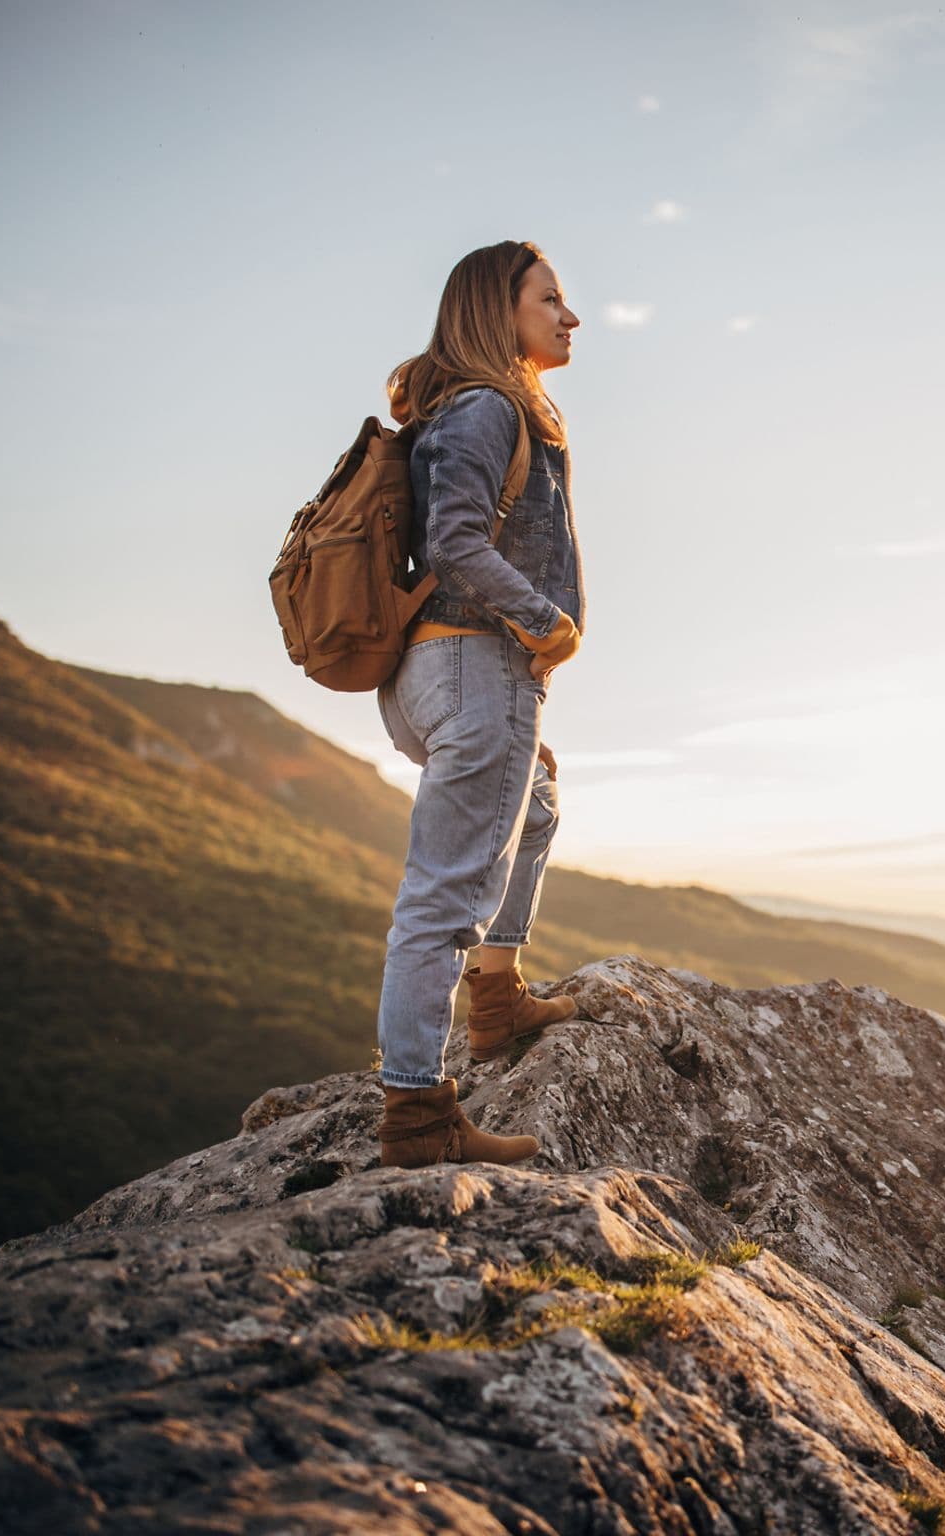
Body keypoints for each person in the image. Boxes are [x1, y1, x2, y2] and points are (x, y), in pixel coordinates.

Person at [370, 239, 588, 1169]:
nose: (570, 316)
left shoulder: (470, 409)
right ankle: (418, 1117)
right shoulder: (487, 408)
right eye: (552, 299)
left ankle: (495, 1007)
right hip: (473, 665)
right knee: (440, 899)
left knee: (534, 809)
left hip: (442, 674)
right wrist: (548, 625)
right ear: (499, 313)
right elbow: (458, 544)